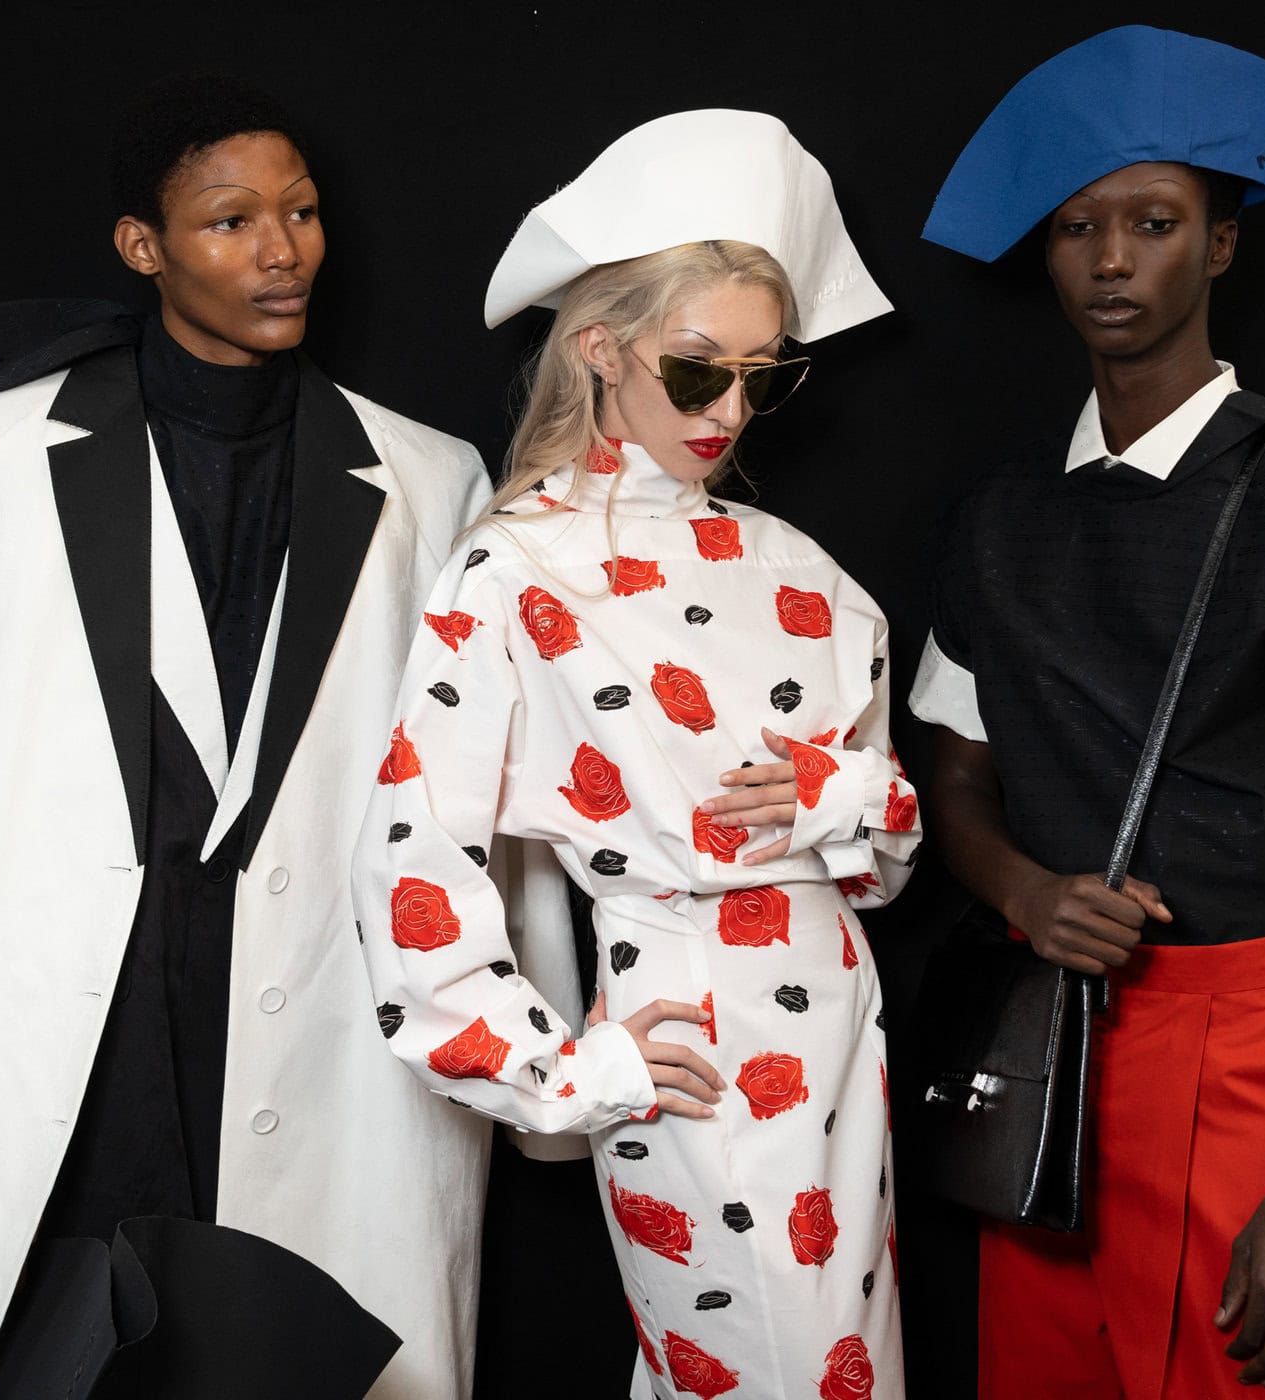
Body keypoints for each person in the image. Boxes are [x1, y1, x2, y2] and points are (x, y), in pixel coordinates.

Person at [0, 75, 561, 1400]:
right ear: (141, 246)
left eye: (301, 212)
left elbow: (478, 793)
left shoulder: (428, 476)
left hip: (311, 1036)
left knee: (282, 1361)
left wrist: (533, 1048)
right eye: (231, 220)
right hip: (29, 1034)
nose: (281, 251)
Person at [914, 27, 1265, 1399]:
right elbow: (954, 782)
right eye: (1078, 229)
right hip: (1050, 1062)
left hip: (1255, 1062)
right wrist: (1026, 893)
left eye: (1156, 223)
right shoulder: (999, 517)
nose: (1113, 261)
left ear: (1221, 245)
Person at [352, 110, 915, 1400]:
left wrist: (843, 797)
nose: (731, 411)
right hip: (689, 1027)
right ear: (599, 348)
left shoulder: (803, 571)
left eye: (764, 377)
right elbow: (413, 851)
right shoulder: (514, 569)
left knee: (829, 1364)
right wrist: (557, 1067)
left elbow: (887, 856)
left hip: (843, 1020)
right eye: (697, 370)